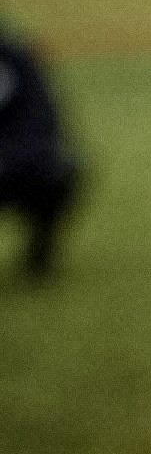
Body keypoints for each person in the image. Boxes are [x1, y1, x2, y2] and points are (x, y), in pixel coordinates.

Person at [0, 18, 84, 279]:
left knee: (57, 172)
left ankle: (40, 254)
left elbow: (40, 120)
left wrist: (7, 161)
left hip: (12, 163)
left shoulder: (14, 56)